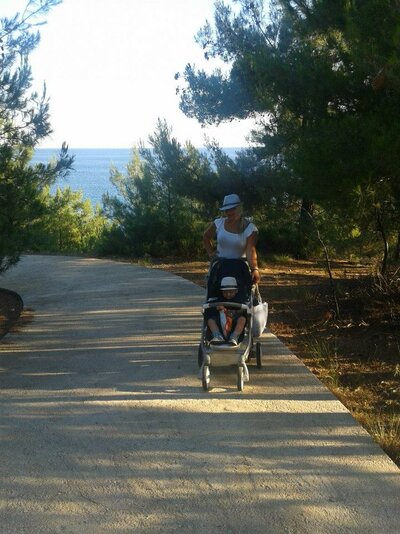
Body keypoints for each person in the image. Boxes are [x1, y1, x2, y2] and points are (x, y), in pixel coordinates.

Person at [203, 193, 261, 284]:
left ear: (239, 209)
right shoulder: (218, 223)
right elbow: (206, 236)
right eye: (227, 210)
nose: (229, 212)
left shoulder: (250, 228)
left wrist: (254, 269)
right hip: (219, 267)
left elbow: (251, 250)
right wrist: (211, 253)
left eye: (232, 209)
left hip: (240, 268)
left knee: (242, 294)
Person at [207, 276, 247, 346]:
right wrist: (216, 308)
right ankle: (217, 336)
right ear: (221, 291)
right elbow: (210, 309)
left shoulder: (240, 300)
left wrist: (233, 311)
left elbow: (244, 310)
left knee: (242, 319)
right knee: (210, 320)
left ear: (236, 291)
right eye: (225, 292)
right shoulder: (218, 299)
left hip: (234, 320)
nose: (228, 294)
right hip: (219, 321)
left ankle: (234, 337)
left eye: (231, 292)